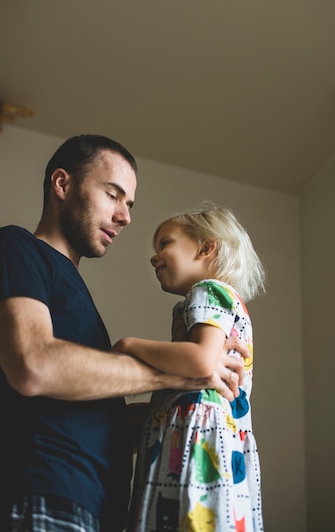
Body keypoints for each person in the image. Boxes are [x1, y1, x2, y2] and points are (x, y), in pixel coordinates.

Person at [0, 135, 249, 532]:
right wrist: (180, 372)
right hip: (42, 498)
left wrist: (201, 394)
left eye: (129, 204)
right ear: (62, 184)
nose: (126, 216)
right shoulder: (15, 247)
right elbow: (34, 365)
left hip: (102, 514)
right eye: (113, 194)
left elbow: (100, 418)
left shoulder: (79, 299)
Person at [112, 203, 266, 532]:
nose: (155, 257)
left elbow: (202, 362)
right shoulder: (223, 300)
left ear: (206, 247)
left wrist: (128, 346)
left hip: (197, 444)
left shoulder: (208, 291)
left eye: (165, 243)